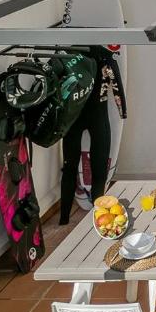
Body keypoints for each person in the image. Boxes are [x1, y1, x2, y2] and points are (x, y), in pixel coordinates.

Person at [59, 46, 127, 224]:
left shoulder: (69, 58)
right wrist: (122, 112)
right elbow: (117, 86)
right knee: (99, 170)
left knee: (69, 167)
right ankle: (98, 215)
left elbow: (59, 88)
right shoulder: (104, 56)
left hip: (73, 117)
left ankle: (64, 219)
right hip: (98, 116)